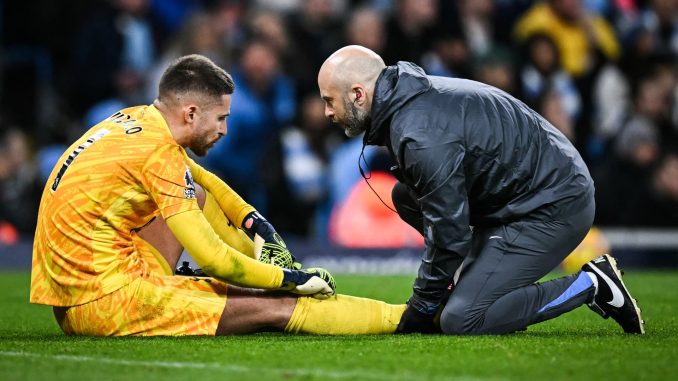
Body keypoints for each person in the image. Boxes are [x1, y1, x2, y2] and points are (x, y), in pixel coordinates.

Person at [30, 54, 405, 336]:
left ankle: (238, 275)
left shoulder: (137, 120)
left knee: (197, 194)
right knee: (277, 307)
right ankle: (404, 317)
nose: (224, 129)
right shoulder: (157, 154)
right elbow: (213, 258)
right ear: (191, 113)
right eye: (221, 118)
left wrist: (255, 223)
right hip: (102, 303)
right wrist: (286, 279)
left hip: (78, 290)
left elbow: (206, 181)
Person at [317, 45, 645, 335]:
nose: (327, 113)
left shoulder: (419, 133)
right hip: (528, 192)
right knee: (406, 197)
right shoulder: (412, 100)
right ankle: (478, 281)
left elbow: (450, 233)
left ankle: (592, 284)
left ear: (358, 94)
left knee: (461, 319)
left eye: (329, 101)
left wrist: (422, 307)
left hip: (554, 206)